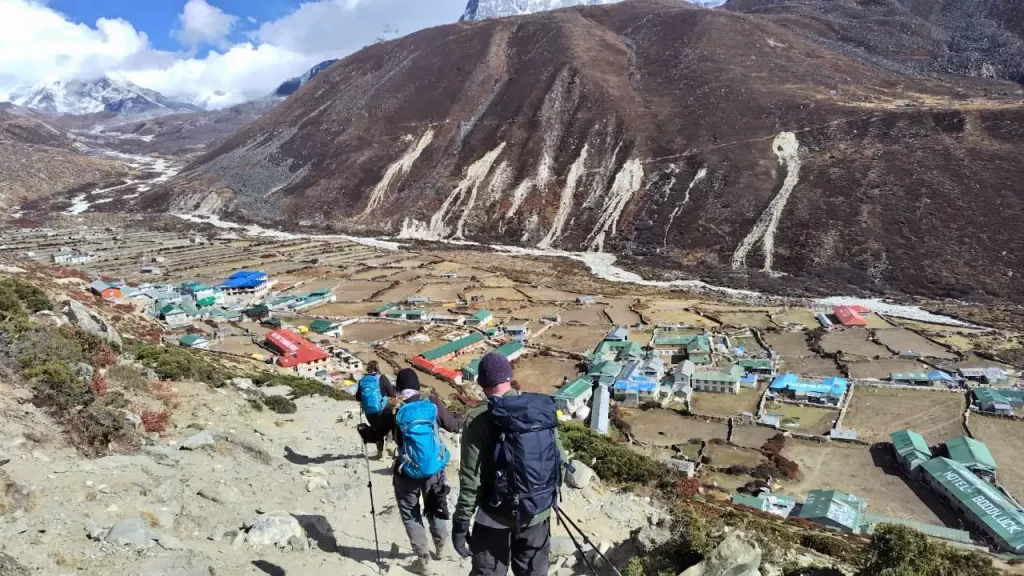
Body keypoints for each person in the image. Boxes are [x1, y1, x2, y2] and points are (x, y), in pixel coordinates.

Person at [453, 353, 566, 576]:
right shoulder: (537, 409)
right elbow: (560, 459)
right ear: (510, 377)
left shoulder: (478, 418)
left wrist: (461, 521)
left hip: (495, 516)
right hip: (537, 513)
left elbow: (470, 478)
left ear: (481, 382)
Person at [379, 368, 462, 574]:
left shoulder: (395, 409)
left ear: (398, 388)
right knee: (435, 505)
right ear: (417, 386)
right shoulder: (431, 403)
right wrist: (460, 416)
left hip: (406, 471)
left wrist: (366, 432)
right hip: (433, 470)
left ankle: (423, 559)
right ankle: (441, 547)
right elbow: (453, 426)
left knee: (410, 513)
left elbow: (377, 434)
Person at [355, 361, 397, 459]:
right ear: (378, 368)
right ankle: (389, 444)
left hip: (369, 412)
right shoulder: (382, 378)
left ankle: (379, 452)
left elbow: (358, 397)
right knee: (388, 426)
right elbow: (392, 394)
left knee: (377, 429)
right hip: (382, 409)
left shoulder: (363, 380)